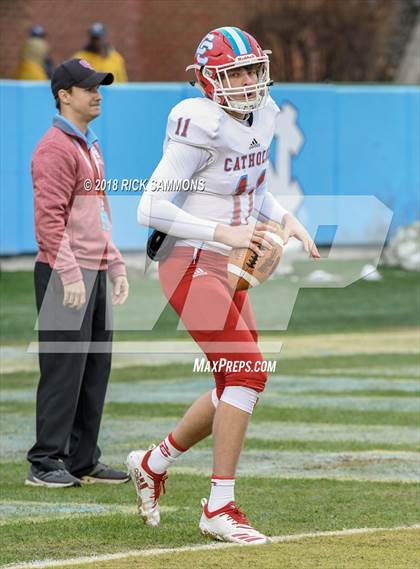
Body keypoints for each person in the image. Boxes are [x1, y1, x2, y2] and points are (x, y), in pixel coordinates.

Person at [127, 27, 320, 543]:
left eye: (253, 69)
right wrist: (225, 232)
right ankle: (219, 506)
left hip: (227, 261)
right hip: (187, 259)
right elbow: (149, 207)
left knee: (233, 381)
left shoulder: (266, 114)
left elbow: (250, 184)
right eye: (236, 72)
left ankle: (153, 460)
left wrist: (286, 217)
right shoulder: (198, 122)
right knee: (247, 372)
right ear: (209, 80)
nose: (249, 81)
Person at [26, 58, 130, 488]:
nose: (97, 93)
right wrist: (69, 274)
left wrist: (116, 263)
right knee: (63, 370)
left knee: (94, 371)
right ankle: (45, 461)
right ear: (63, 95)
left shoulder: (89, 145)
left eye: (99, 86)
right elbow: (49, 221)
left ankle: (83, 458)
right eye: (88, 87)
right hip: (64, 274)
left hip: (95, 271)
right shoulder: (55, 147)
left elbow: (100, 214)